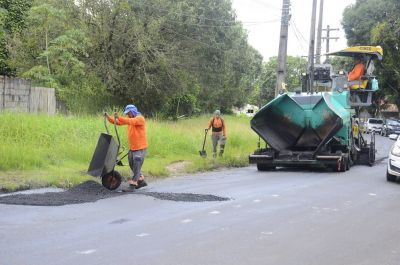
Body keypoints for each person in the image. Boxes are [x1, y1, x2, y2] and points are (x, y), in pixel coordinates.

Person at [104, 104, 148, 189]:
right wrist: (108, 117)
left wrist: (118, 117)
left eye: (128, 113)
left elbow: (129, 121)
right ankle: (141, 179)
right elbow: (117, 122)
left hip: (140, 148)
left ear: (133, 112)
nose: (127, 115)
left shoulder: (140, 118)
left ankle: (133, 184)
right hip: (133, 148)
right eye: (127, 113)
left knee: (136, 164)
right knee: (131, 164)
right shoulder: (130, 119)